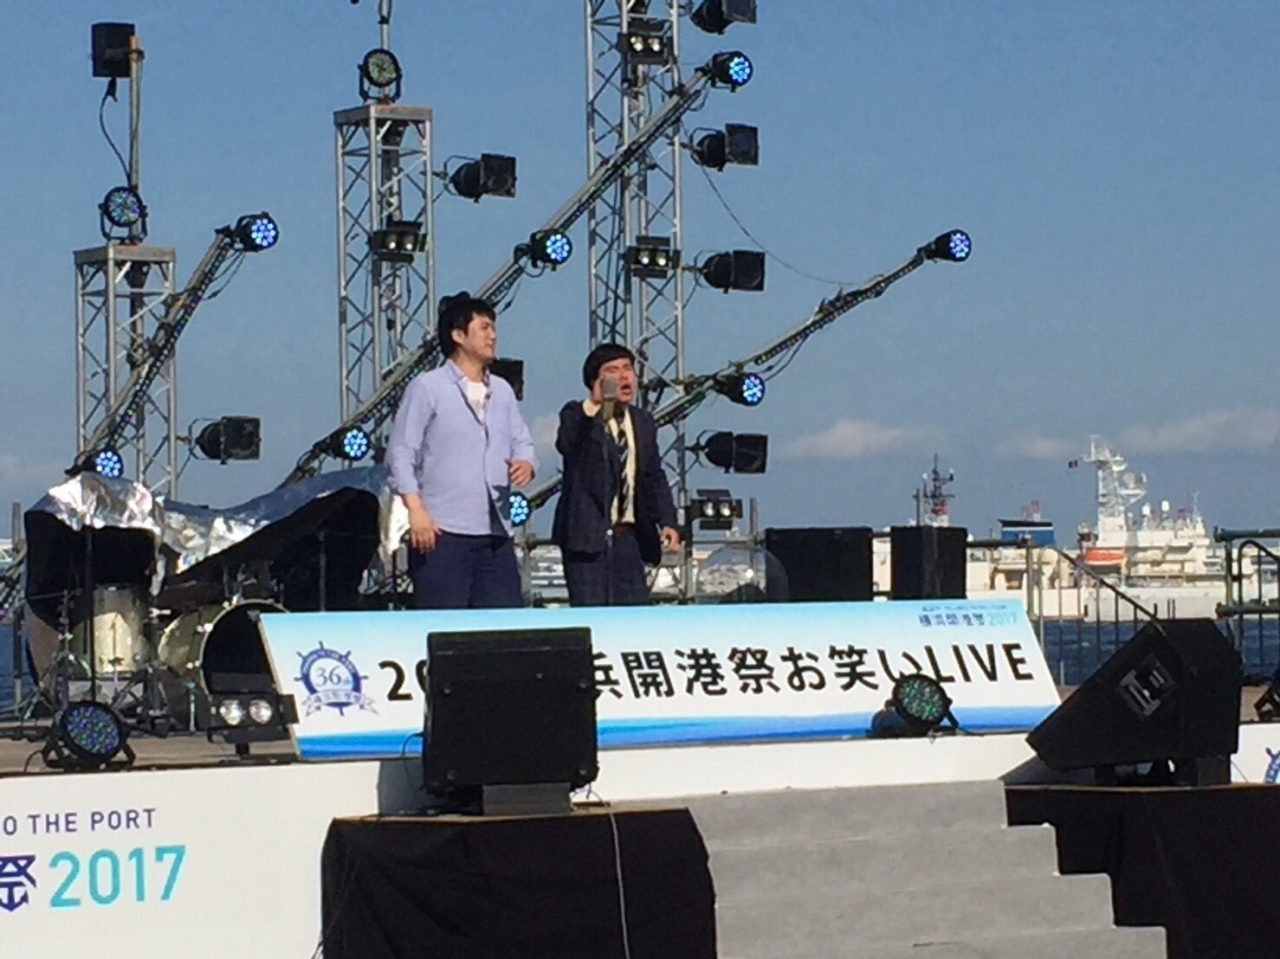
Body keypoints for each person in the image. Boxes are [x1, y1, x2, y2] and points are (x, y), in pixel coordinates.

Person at [385, 292, 537, 608]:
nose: (492, 335)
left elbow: (522, 440)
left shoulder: (503, 390)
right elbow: (401, 452)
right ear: (458, 335)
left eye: (493, 327)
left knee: (502, 623)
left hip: (496, 532)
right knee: (445, 622)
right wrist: (416, 511)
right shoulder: (428, 387)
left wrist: (526, 462)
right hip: (442, 531)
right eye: (484, 327)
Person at [552, 343, 681, 605]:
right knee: (592, 611)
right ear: (595, 381)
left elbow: (653, 475)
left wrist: (668, 520)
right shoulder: (577, 414)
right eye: (612, 371)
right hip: (587, 539)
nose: (624, 376)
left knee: (632, 613)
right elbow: (568, 445)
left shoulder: (643, 421)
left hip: (630, 538)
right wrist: (595, 405)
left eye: (628, 369)